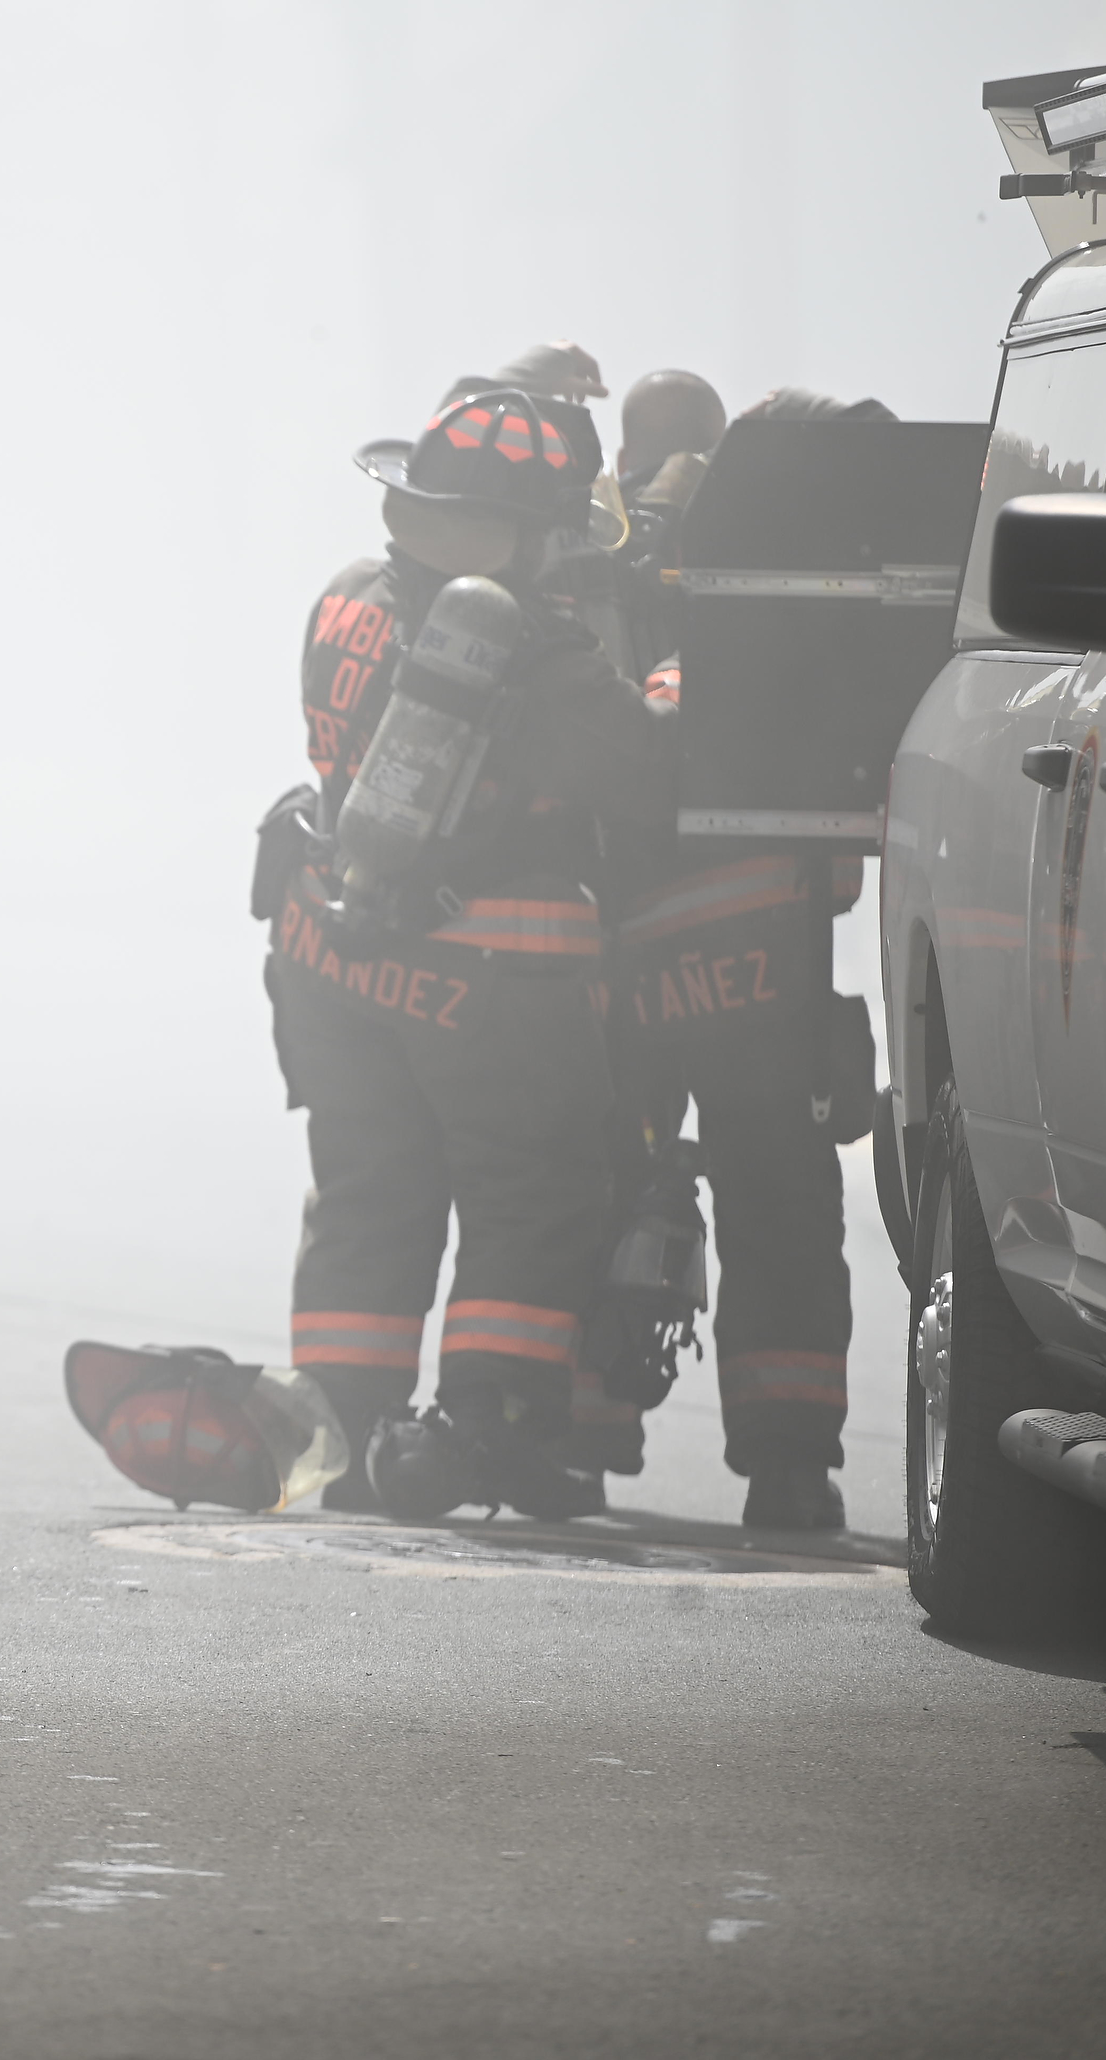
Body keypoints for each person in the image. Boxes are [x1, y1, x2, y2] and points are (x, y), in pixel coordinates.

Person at [265, 387, 669, 1521]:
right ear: (535, 533)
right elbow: (644, 776)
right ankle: (478, 1426)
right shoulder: (534, 652)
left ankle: (339, 1428)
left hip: (332, 959)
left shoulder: (344, 596)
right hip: (485, 982)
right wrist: (677, 684)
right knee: (529, 1196)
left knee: (366, 1196)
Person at [604, 380, 882, 1531]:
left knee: (609, 1182)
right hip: (765, 957)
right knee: (777, 1198)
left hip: (620, 952)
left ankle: (575, 1433)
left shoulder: (587, 561)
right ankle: (787, 1466)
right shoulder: (799, 575)